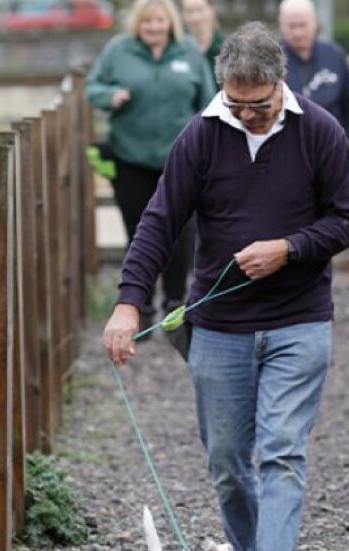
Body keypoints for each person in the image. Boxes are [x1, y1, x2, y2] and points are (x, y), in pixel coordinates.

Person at [103, 22, 349, 551]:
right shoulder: (201, 136)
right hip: (218, 325)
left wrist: (290, 248)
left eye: (260, 104)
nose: (246, 114)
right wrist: (129, 302)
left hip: (299, 320)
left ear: (281, 83)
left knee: (280, 451)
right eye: (236, 102)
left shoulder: (319, 131)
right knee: (226, 460)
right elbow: (160, 220)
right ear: (223, 87)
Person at [86, 0, 214, 331]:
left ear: (170, 22)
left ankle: (174, 303)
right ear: (137, 25)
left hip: (180, 161)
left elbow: (209, 101)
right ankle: (138, 306)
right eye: (147, 22)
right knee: (139, 231)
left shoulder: (187, 52)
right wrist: (110, 95)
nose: (154, 27)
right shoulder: (119, 51)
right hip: (131, 157)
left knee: (181, 233)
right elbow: (93, 87)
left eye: (160, 21)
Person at [277, 0, 349, 171]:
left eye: (302, 24)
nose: (298, 32)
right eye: (291, 26)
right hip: (287, 155)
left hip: (334, 149)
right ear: (281, 26)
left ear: (315, 22)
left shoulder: (335, 55)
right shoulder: (272, 59)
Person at [180, 0, 223, 84]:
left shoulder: (225, 49)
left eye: (200, 10)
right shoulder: (175, 49)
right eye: (189, 11)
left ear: (211, 10)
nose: (195, 17)